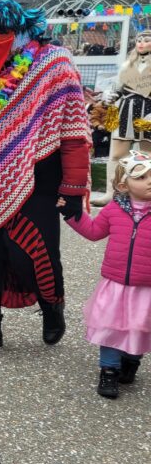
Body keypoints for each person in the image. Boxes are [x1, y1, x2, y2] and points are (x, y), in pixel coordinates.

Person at [0, 0, 91, 354]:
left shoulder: (56, 64)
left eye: (2, 33)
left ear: (23, 31)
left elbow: (73, 131)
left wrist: (73, 188)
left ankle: (51, 307)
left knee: (35, 253)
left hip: (39, 179)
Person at [60, 151, 151, 399]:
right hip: (115, 284)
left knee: (140, 327)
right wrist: (72, 214)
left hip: (146, 286)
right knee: (111, 328)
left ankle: (131, 361)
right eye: (142, 177)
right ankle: (109, 370)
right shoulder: (114, 210)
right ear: (123, 185)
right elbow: (93, 232)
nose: (149, 181)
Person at [92, 30, 151, 206]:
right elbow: (118, 89)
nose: (141, 43)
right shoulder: (127, 65)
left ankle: (145, 192)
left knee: (147, 153)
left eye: (146, 40)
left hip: (148, 112)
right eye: (139, 40)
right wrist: (110, 95)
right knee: (117, 154)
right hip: (125, 110)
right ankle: (112, 193)